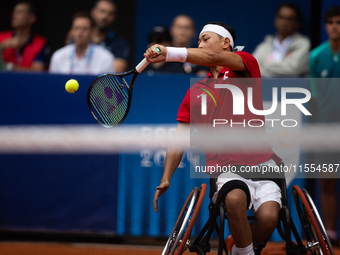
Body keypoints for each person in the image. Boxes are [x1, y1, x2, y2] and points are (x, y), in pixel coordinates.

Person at [145, 22, 283, 255]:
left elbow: (210, 55)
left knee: (269, 218)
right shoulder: (196, 91)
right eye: (198, 41)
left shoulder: (246, 65)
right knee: (235, 199)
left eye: (205, 38)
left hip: (264, 164)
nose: (200, 44)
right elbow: (180, 138)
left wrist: (169, 52)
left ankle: (235, 246)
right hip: (226, 167)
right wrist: (166, 176)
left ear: (226, 43)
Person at [309, 5, 340, 246]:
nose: (335, 27)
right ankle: (330, 234)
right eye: (331, 22)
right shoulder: (317, 56)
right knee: (327, 182)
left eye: (339, 22)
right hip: (328, 131)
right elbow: (315, 99)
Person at [252, 2, 310, 77]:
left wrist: (264, 67)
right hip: (265, 87)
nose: (284, 22)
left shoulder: (304, 44)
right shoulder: (266, 43)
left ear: (297, 23)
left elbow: (293, 69)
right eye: (281, 17)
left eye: (289, 19)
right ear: (275, 20)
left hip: (291, 87)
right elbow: (252, 67)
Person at [49, 12, 114, 75]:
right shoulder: (58, 56)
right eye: (76, 28)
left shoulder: (105, 57)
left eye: (84, 29)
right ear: (71, 31)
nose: (80, 33)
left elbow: (108, 85)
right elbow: (53, 83)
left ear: (91, 31)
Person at [0, 1, 48, 71]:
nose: (14, 16)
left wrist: (10, 67)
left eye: (19, 12)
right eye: (14, 12)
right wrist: (3, 45)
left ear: (32, 18)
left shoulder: (40, 43)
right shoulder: (1, 37)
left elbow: (38, 71)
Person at [90, 0, 131, 72]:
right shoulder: (81, 38)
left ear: (114, 17)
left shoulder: (120, 43)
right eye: (102, 11)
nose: (105, 17)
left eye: (110, 14)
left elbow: (116, 73)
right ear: (93, 12)